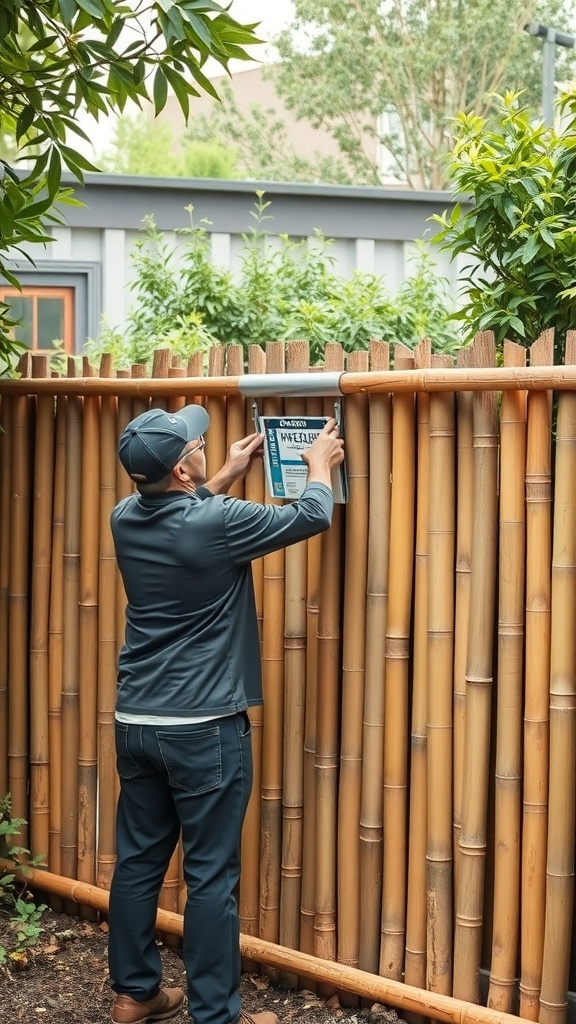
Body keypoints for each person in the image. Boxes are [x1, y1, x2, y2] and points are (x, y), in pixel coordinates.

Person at [107, 402, 345, 1024]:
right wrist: (318, 463)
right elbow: (312, 514)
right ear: (184, 470)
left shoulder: (124, 517)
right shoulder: (214, 521)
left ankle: (135, 994)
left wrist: (226, 475)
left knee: (138, 861)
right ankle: (216, 1016)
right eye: (195, 444)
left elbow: (184, 519)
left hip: (137, 721)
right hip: (204, 730)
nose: (202, 442)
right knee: (211, 877)